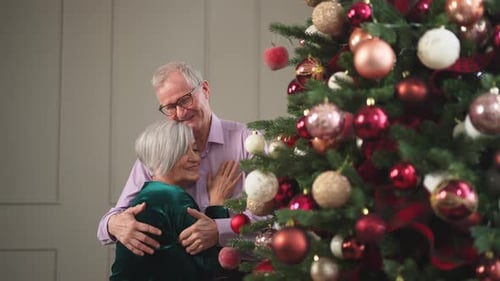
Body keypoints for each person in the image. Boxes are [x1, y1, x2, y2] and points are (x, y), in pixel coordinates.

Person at [98, 61, 259, 279]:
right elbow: (112, 220)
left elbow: (272, 220)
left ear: (205, 90)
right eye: (170, 107)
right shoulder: (159, 153)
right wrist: (113, 224)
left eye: (185, 99)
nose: (181, 112)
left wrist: (219, 229)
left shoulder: (249, 142)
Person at [110, 120, 241, 280]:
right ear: (164, 155)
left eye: (195, 149)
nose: (196, 159)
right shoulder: (173, 198)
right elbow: (213, 268)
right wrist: (217, 204)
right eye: (185, 152)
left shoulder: (148, 195)